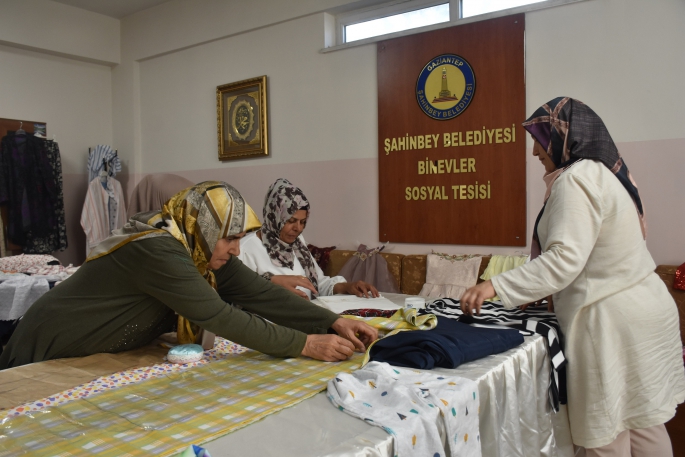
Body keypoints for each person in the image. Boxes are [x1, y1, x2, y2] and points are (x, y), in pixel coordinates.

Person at [461, 97, 685, 456]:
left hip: (611, 322)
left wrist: (495, 285)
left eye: (540, 137)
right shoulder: (607, 174)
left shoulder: (576, 180)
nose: (535, 151)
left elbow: (565, 259)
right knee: (644, 425)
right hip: (646, 310)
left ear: (565, 138)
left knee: (604, 436)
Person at [0, 181, 377, 370]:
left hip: (88, 350)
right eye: (230, 239)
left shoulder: (199, 251)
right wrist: (305, 345)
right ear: (206, 228)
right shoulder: (158, 248)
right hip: (46, 345)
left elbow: (258, 295)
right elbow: (217, 314)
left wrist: (333, 322)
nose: (235, 249)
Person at [238, 178, 379, 300]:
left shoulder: (297, 243)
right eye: (291, 221)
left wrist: (347, 287)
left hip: (303, 320)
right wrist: (274, 286)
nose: (298, 228)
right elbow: (240, 295)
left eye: (303, 222)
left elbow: (317, 285)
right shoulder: (246, 249)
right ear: (275, 217)